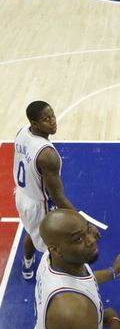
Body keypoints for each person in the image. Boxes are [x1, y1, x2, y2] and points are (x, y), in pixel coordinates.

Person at [28, 209, 120, 329]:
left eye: (88, 229)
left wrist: (112, 272)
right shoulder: (75, 311)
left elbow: (81, 281)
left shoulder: (51, 259)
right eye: (78, 239)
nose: (91, 240)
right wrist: (114, 323)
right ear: (56, 249)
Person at [13, 101, 76, 280]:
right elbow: (58, 197)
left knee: (32, 232)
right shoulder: (47, 155)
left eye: (52, 115)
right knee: (54, 245)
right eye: (46, 119)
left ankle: (27, 262)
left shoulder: (22, 132)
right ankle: (54, 281)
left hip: (21, 195)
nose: (53, 121)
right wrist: (82, 223)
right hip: (39, 205)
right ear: (34, 123)